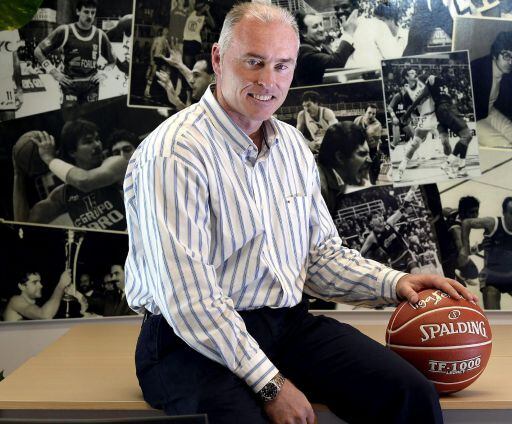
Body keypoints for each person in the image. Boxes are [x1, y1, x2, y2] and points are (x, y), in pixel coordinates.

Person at [124, 4, 475, 423]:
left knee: (409, 395)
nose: (267, 81)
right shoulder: (174, 153)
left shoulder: (292, 146)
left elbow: (319, 258)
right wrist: (271, 384)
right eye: (253, 62)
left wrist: (396, 282)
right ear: (218, 59)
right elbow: (189, 300)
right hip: (187, 342)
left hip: (285, 326)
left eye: (281, 66)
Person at [22, 120, 128, 230]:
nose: (97, 144)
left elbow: (85, 181)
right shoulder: (64, 194)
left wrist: (49, 159)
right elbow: (24, 223)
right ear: (72, 152)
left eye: (97, 139)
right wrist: (18, 175)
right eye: (88, 141)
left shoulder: (117, 163)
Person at [460, 196, 512, 310]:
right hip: (491, 279)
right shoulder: (493, 223)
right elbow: (466, 223)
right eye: (511, 213)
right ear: (504, 213)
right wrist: (465, 248)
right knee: (494, 319)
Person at [33, 0, 116, 109]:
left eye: (93, 12)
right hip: (70, 86)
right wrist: (54, 73)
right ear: (78, 12)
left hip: (91, 87)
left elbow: (113, 61)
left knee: (89, 120)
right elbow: (38, 51)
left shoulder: (100, 35)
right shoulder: (65, 31)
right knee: (70, 121)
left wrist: (105, 73)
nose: (90, 16)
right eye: (86, 12)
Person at [403, 69, 475, 179]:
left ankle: (462, 167)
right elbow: (420, 97)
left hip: (441, 112)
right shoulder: (429, 82)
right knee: (467, 135)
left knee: (454, 140)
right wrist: (408, 113)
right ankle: (447, 164)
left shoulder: (441, 81)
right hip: (443, 109)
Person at [470, 31, 512, 149]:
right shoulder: (476, 69)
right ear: (494, 55)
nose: (510, 62)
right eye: (506, 56)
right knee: (504, 145)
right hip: (470, 118)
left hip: (488, 111)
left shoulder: (510, 72)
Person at [316, 122, 372, 215]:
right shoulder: (319, 188)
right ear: (340, 157)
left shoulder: (334, 180)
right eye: (362, 154)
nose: (370, 160)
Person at [359, 190, 421, 274]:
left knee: (417, 275)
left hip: (406, 254)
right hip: (395, 263)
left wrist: (407, 200)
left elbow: (401, 210)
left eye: (380, 215)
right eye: (376, 217)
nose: (380, 218)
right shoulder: (372, 237)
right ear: (371, 222)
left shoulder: (389, 222)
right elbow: (361, 253)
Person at [294, 11, 358, 87]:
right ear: (303, 33)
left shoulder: (319, 46)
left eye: (321, 24)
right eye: (315, 26)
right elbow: (335, 63)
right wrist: (348, 33)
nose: (321, 29)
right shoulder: (304, 52)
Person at [345, 3, 405, 69]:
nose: (379, 23)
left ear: (392, 19)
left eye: (382, 20)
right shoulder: (375, 32)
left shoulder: (406, 35)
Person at [3, 271, 71, 322]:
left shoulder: (34, 304)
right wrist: (61, 285)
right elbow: (44, 315)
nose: (41, 286)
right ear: (22, 286)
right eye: (34, 282)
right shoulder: (15, 301)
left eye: (40, 282)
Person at [443, 196, 481, 286]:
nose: (475, 215)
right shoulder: (457, 229)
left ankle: (459, 274)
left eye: (476, 211)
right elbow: (462, 251)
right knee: (474, 273)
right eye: (472, 212)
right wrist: (478, 248)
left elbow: (444, 210)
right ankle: (456, 273)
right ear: (463, 212)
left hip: (450, 245)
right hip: (449, 255)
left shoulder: (454, 212)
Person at [353, 103, 383, 184]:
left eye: (374, 114)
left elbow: (364, 137)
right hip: (359, 146)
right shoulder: (357, 120)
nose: (371, 115)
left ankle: (374, 182)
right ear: (365, 112)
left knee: (375, 168)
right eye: (369, 112)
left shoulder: (377, 125)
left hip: (371, 149)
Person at [182, 1, 215, 69]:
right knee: (186, 64)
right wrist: (204, 8)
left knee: (192, 65)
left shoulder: (203, 18)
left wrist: (208, 11)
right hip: (186, 41)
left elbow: (213, 25)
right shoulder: (192, 13)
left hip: (195, 42)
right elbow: (194, 5)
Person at [0, 29, 23, 122]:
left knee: (9, 126)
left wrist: (19, 89)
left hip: (5, 83)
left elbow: (15, 60)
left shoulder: (12, 28)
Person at [143, 27, 171, 98]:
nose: (166, 30)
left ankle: (166, 92)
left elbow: (167, 52)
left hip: (163, 59)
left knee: (166, 74)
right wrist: (151, 60)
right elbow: (152, 50)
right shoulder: (157, 39)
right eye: (165, 29)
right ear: (163, 31)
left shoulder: (167, 41)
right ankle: (147, 91)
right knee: (152, 74)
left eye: (167, 30)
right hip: (156, 58)